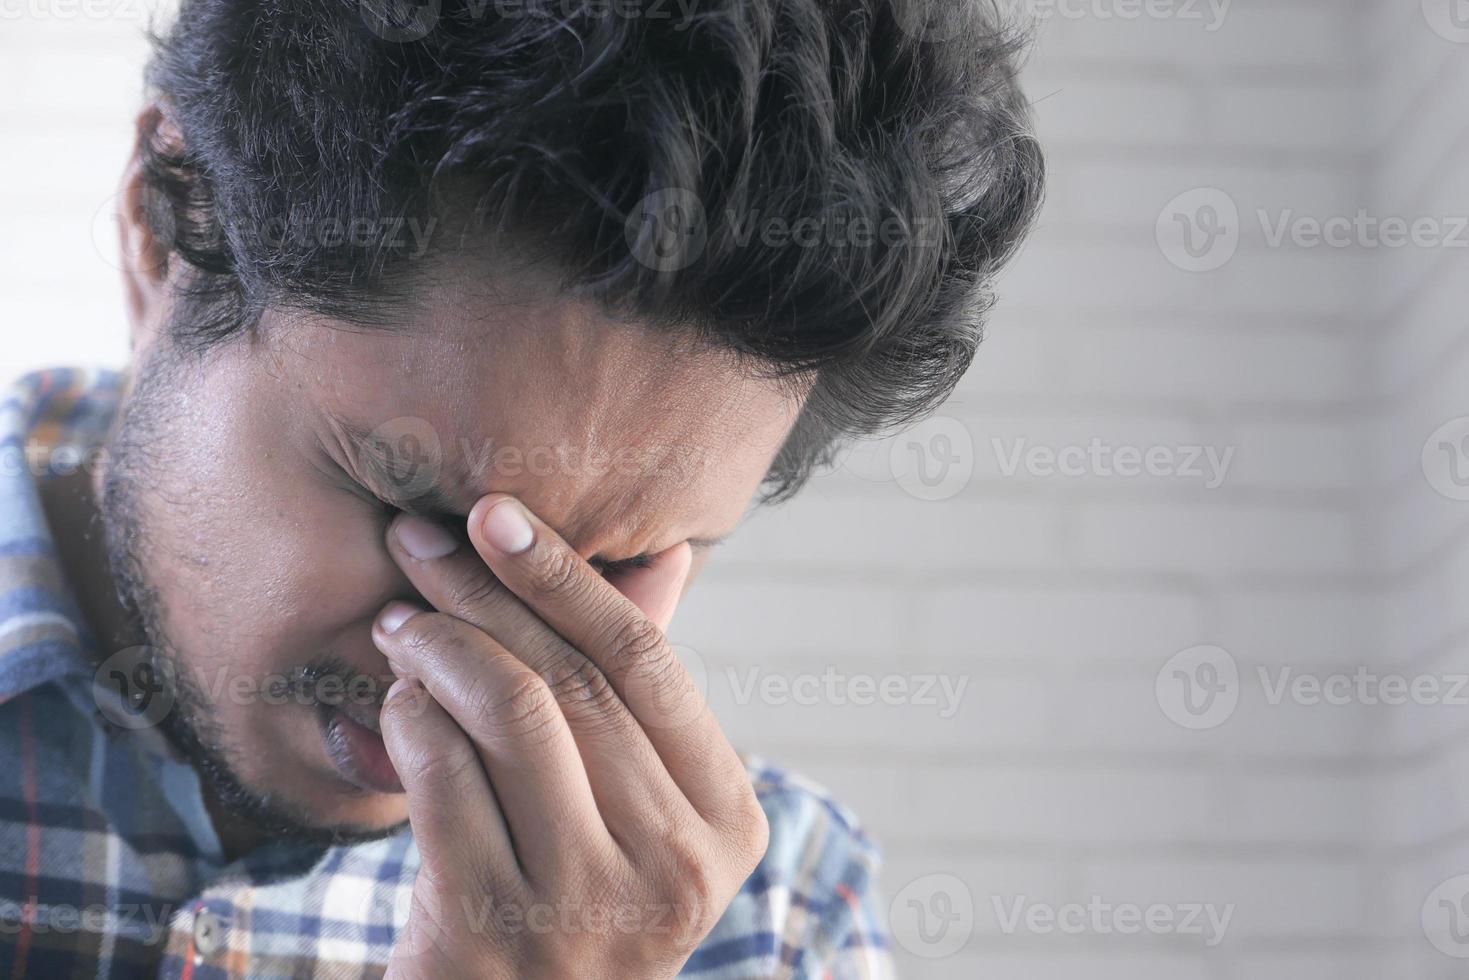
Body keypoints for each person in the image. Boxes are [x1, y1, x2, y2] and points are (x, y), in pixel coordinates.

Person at [0, 0, 1041, 975]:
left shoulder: (771, 922)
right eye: (424, 516)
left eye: (619, 563)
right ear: (157, 229)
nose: (485, 663)